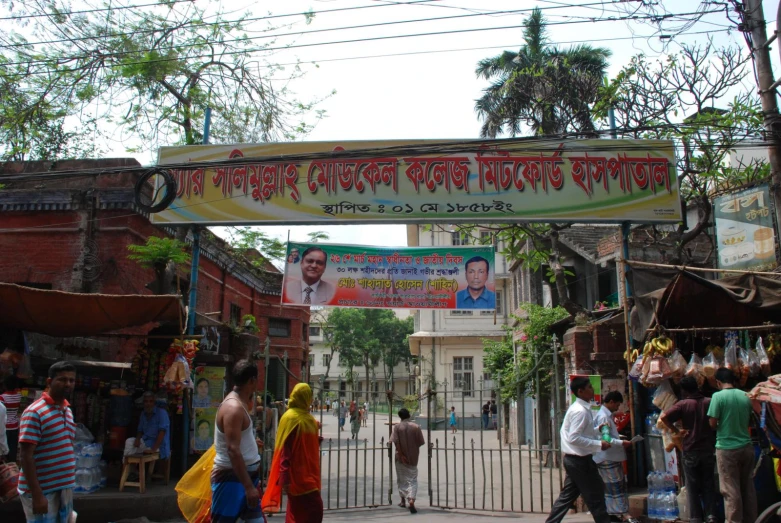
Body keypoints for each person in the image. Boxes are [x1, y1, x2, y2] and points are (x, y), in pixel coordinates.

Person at [546, 376, 627, 523]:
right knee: (596, 496)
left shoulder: (581, 409)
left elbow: (583, 433)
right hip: (580, 461)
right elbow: (574, 437)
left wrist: (598, 430)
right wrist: (599, 445)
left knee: (567, 497)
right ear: (581, 391)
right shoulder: (580, 411)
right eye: (589, 387)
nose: (593, 389)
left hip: (575, 460)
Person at [18, 362, 77, 523]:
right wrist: (37, 495)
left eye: (72, 380)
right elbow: (25, 455)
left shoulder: (68, 411)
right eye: (62, 379)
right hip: (43, 491)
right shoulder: (35, 412)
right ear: (49, 382)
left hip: (63, 488)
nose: (68, 384)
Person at [211, 360, 265, 523]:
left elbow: (236, 440)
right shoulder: (233, 408)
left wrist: (251, 443)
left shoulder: (239, 404)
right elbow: (233, 449)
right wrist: (248, 487)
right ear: (252, 381)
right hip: (232, 479)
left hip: (246, 477)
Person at [262, 383, 323, 523]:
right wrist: (285, 479)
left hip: (304, 477)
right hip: (301, 480)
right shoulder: (295, 419)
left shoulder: (300, 418)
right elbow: (286, 450)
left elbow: (305, 444)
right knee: (314, 511)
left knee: (295, 516)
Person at [660, 375, 717, 523]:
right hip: (707, 449)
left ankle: (696, 518)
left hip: (690, 449)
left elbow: (664, 417)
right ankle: (711, 516)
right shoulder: (709, 402)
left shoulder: (682, 404)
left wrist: (676, 431)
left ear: (684, 390)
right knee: (708, 484)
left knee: (692, 486)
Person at [708, 367, 757, 523]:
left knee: (730, 489)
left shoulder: (717, 396)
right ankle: (751, 519)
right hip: (746, 446)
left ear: (718, 382)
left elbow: (712, 423)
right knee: (747, 487)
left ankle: (734, 521)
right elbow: (751, 419)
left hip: (727, 448)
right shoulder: (745, 396)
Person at [593, 391, 634, 522]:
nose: (618, 408)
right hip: (608, 457)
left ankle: (614, 512)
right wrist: (622, 442)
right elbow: (607, 438)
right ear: (611, 402)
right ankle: (621, 513)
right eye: (617, 404)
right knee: (615, 486)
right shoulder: (604, 417)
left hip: (608, 456)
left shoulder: (605, 415)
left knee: (612, 486)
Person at [390, 408, 425, 514]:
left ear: (400, 417)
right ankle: (411, 499)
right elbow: (420, 442)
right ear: (409, 415)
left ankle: (402, 500)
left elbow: (394, 441)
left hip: (399, 458)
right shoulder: (416, 427)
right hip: (413, 458)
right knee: (412, 479)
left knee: (401, 479)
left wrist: (401, 454)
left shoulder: (397, 427)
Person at [123, 391, 171, 461]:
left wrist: (153, 449)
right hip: (146, 442)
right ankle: (127, 467)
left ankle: (130, 467)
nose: (148, 404)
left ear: (154, 402)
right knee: (129, 442)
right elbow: (140, 430)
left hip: (158, 445)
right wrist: (137, 439)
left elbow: (162, 433)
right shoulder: (143, 413)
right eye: (146, 401)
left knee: (134, 450)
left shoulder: (162, 413)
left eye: (150, 401)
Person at [1, 375, 21, 462]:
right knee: (13, 448)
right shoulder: (18, 396)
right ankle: (12, 465)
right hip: (15, 426)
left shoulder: (2, 397)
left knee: (4, 449)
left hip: (5, 426)